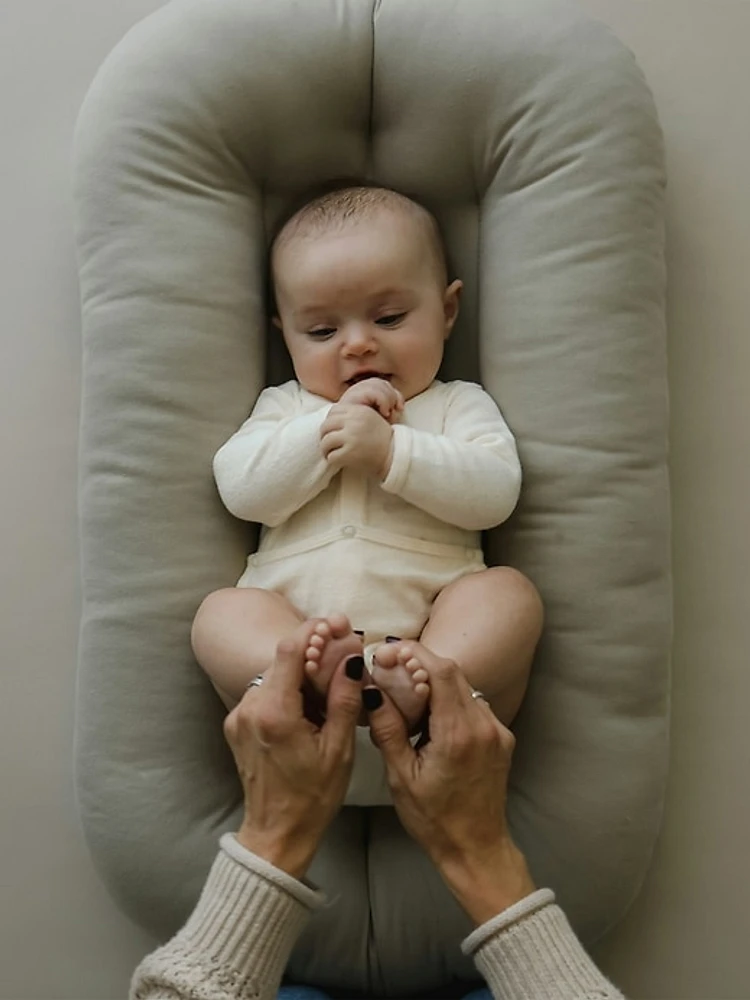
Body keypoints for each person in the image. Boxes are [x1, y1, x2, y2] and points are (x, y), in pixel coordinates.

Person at [190, 184, 543, 803]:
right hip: (297, 689)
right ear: (286, 335)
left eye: (389, 319)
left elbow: (495, 494)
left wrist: (391, 452)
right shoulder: (287, 407)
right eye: (322, 330)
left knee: (507, 597)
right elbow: (241, 488)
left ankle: (431, 682)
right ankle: (300, 676)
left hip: (434, 666)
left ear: (448, 310)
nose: (357, 344)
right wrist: (324, 434)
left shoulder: (456, 404)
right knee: (219, 614)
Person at [129, 620, 624, 1000]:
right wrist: (482, 853)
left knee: (507, 599)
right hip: (429, 713)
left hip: (323, 707)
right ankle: (402, 688)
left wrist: (273, 838)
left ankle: (312, 683)